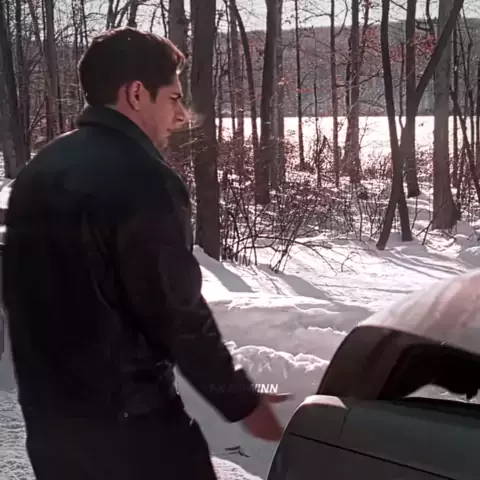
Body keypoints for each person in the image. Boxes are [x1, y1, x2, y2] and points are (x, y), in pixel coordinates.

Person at [2, 27, 288, 480]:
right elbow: (176, 312)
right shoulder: (143, 179)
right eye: (173, 98)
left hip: (50, 427)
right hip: (133, 433)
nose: (181, 115)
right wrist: (241, 401)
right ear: (136, 93)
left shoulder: (38, 171)